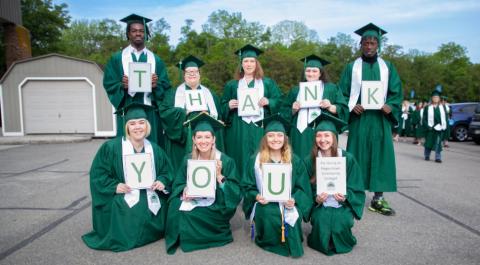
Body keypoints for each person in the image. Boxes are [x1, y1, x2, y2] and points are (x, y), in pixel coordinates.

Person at [82, 102, 173, 251]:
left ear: (147, 126)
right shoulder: (111, 148)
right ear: (127, 127)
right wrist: (114, 186)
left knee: (160, 207)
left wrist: (162, 181)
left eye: (141, 123)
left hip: (150, 193)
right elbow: (98, 175)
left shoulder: (154, 149)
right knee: (127, 209)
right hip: (125, 194)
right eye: (132, 123)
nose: (138, 127)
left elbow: (167, 172)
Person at [339, 23, 402, 216]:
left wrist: (390, 106)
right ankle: (352, 194)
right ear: (360, 45)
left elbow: (396, 92)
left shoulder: (388, 67)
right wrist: (351, 106)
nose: (368, 46)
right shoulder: (352, 68)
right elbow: (341, 92)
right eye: (365, 43)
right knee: (356, 155)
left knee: (381, 157)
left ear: (378, 45)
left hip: (380, 120)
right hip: (360, 120)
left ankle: (378, 198)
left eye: (372, 43)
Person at [165, 113, 241, 254]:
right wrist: (184, 191)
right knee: (176, 207)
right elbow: (178, 183)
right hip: (194, 200)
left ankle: (210, 235)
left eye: (207, 137)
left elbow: (235, 193)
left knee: (194, 215)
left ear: (213, 139)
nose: (203, 141)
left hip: (216, 205)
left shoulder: (226, 161)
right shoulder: (187, 159)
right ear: (193, 139)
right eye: (199, 137)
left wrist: (220, 177)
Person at [241, 114, 312, 257]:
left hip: (288, 202)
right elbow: (247, 186)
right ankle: (269, 241)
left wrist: (294, 199)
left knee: (291, 218)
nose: (275, 139)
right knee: (268, 213)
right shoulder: (255, 160)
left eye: (279, 135)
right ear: (265, 139)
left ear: (285, 138)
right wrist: (256, 196)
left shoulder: (295, 161)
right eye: (271, 136)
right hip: (264, 202)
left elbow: (303, 188)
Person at [103, 14, 171, 146]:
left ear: (146, 34)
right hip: (127, 110)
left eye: (141, 31)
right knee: (127, 148)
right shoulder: (117, 59)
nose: (138, 34)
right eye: (134, 31)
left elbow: (166, 86)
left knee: (152, 146)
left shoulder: (156, 60)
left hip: (150, 111)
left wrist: (156, 85)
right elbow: (109, 83)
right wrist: (121, 85)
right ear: (128, 34)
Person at [303, 112, 365, 255]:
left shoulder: (347, 158)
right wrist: (316, 198)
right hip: (320, 205)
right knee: (322, 221)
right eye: (319, 135)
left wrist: (346, 196)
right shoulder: (309, 161)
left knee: (340, 222)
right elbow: (304, 189)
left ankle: (342, 237)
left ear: (334, 137)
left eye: (327, 135)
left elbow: (356, 187)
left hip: (342, 205)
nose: (322, 140)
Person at [221, 44, 283, 175]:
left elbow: (280, 101)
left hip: (260, 126)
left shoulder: (268, 83)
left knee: (260, 155)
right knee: (239, 156)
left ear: (256, 63)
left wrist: (269, 102)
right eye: (245, 61)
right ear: (241, 64)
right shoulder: (232, 85)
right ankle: (238, 191)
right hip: (238, 127)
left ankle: (262, 187)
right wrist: (228, 105)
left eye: (252, 61)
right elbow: (221, 107)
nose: (249, 64)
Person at [159, 55, 224, 170]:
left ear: (199, 74)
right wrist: (184, 112)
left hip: (206, 136)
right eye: (188, 72)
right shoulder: (173, 94)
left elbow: (220, 114)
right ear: (183, 75)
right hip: (183, 138)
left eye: (195, 71)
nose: (192, 74)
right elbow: (164, 112)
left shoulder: (210, 94)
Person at [282, 54, 348, 159]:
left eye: (314, 71)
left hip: (322, 132)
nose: (311, 74)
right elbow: (283, 112)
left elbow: (343, 109)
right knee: (299, 160)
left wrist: (330, 106)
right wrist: (293, 110)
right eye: (308, 71)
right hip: (299, 133)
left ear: (320, 73)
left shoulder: (331, 89)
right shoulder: (295, 90)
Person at [423, 90, 448, 163]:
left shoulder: (443, 108)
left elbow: (445, 118)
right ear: (432, 98)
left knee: (438, 143)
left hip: (439, 128)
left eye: (437, 97)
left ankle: (438, 157)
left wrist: (443, 126)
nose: (435, 99)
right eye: (434, 97)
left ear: (439, 98)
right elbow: (424, 118)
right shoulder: (427, 107)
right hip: (430, 128)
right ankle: (427, 155)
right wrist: (427, 126)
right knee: (429, 142)